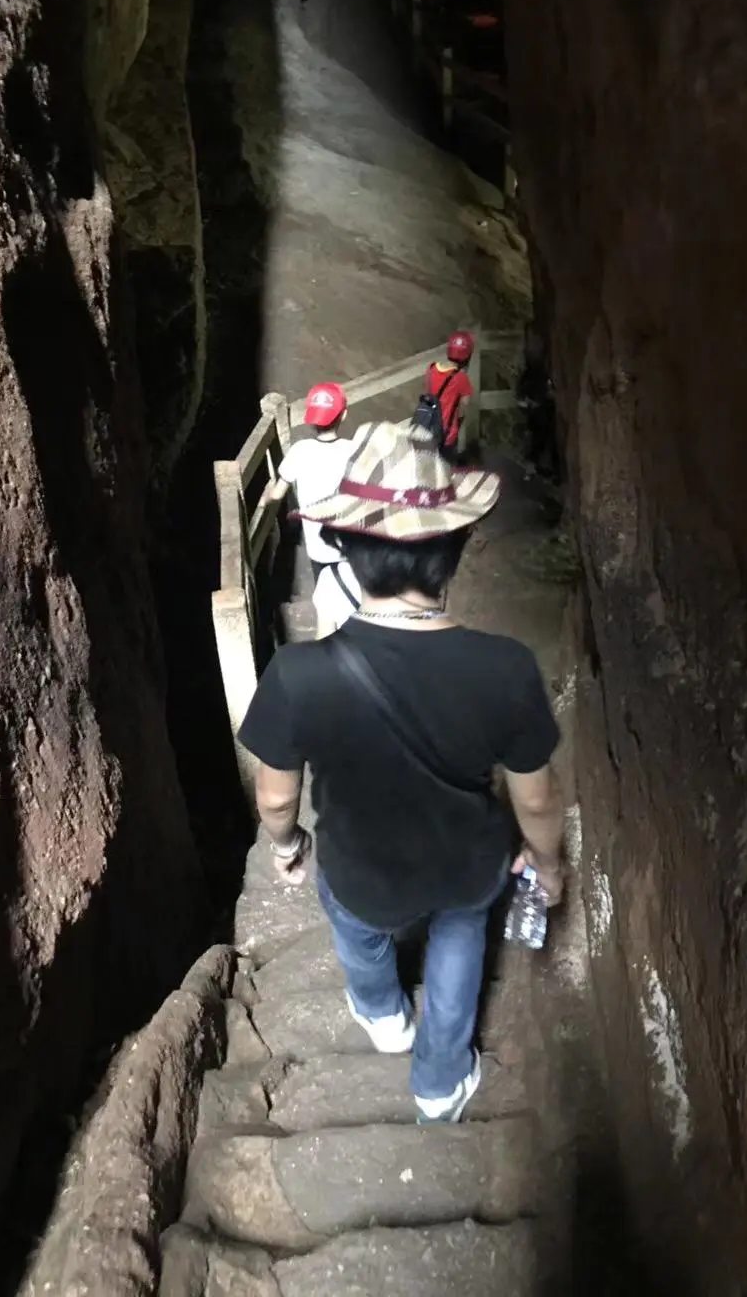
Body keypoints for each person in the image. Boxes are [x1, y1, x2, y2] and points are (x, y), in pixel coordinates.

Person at [239, 421, 567, 1124]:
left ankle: (385, 1018)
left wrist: (288, 845)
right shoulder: (505, 667)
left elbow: (275, 796)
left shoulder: (299, 674)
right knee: (459, 941)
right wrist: (547, 863)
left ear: (347, 549)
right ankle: (440, 1082)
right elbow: (536, 801)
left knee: (357, 930)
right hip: (464, 865)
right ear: (453, 550)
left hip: (361, 866)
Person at [271, 382, 355, 638]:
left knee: (326, 594)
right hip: (351, 544)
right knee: (353, 592)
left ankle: (329, 634)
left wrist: (264, 499)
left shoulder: (300, 451)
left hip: (318, 546)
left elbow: (276, 494)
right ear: (343, 415)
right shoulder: (355, 450)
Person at [424, 330, 475, 466]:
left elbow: (428, 393)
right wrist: (459, 422)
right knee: (444, 467)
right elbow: (463, 408)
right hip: (447, 434)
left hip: (428, 427)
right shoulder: (461, 379)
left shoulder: (432, 368)